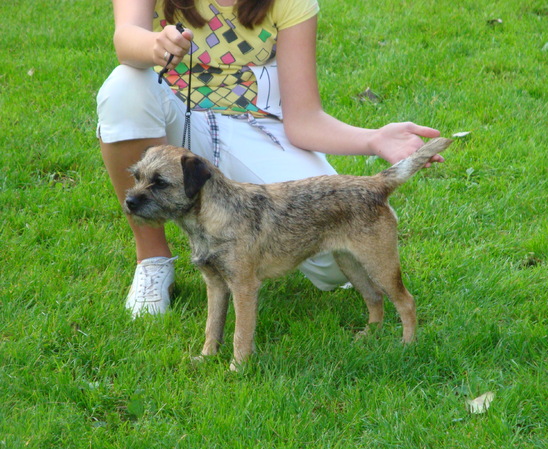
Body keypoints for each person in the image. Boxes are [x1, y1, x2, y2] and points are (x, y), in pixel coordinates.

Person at [97, 0, 444, 317]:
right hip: (176, 125)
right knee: (123, 87)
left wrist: (374, 139)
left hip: (256, 130)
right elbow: (125, 38)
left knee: (341, 247)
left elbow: (305, 119)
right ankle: (154, 259)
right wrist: (154, 44)